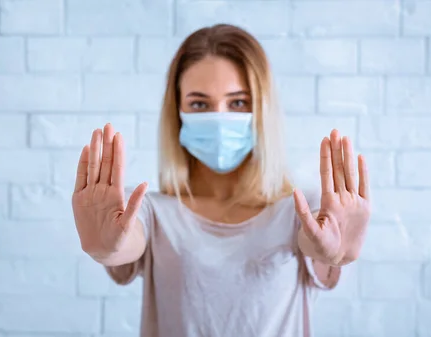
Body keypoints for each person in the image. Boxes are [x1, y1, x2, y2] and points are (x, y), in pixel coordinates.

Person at [71, 24, 371, 337]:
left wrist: (332, 251)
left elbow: (316, 243)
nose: (219, 117)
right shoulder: (149, 212)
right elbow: (124, 242)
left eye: (238, 102)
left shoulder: (303, 212)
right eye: (199, 104)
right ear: (178, 112)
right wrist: (105, 248)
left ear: (262, 109)